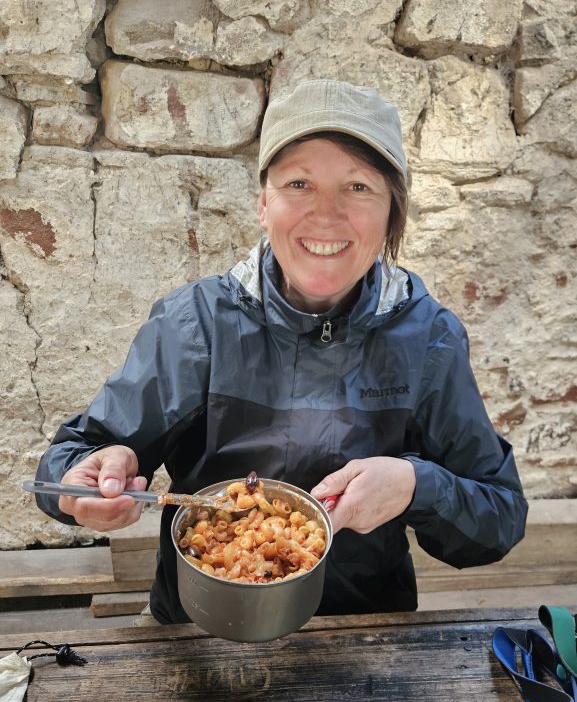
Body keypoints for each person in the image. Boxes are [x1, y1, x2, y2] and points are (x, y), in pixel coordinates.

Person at [35, 79, 527, 622]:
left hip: (364, 635)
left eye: (359, 187)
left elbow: (500, 517)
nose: (327, 214)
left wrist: (416, 486)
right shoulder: (196, 323)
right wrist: (84, 481)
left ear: (393, 213)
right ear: (263, 204)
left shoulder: (427, 336)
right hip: (200, 629)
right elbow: (72, 460)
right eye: (299, 183)